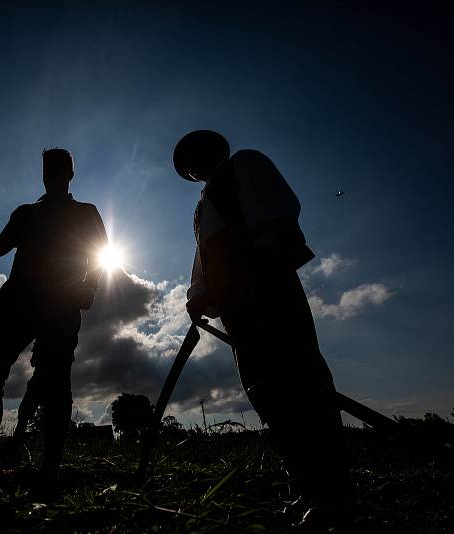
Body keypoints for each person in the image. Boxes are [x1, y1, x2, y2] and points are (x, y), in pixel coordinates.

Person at [173, 130, 352, 522]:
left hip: (268, 288)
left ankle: (332, 490)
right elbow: (202, 259)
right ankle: (305, 484)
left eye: (192, 156)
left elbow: (275, 213)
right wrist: (199, 296)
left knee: (300, 381)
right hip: (237, 307)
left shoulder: (244, 164)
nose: (190, 167)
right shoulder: (202, 209)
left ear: (212, 150)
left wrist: (265, 265)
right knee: (265, 390)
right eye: (185, 165)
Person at [0, 148, 108, 481]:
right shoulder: (25, 213)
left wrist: (90, 286)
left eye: (59, 168)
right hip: (17, 301)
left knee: (55, 382)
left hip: (61, 305)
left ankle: (49, 468)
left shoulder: (86, 212)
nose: (52, 173)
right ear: (42, 173)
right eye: (47, 168)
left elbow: (100, 254)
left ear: (70, 174)